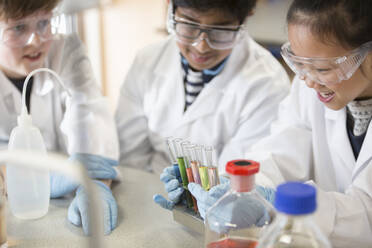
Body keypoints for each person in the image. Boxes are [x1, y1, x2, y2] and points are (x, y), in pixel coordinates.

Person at [189, 0, 372, 247]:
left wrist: (275, 201)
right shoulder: (310, 88)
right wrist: (248, 189)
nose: (308, 80)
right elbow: (283, 149)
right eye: (298, 63)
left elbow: (366, 214)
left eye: (322, 68)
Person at [116, 0, 289, 177]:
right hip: (150, 188)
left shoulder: (267, 84)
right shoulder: (148, 60)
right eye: (189, 26)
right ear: (170, 7)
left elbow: (236, 180)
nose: (201, 47)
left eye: (220, 31)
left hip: (218, 199)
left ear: (246, 17)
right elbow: (130, 156)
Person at [0, 0, 119, 235]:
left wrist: (94, 185)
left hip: (65, 204)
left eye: (44, 23)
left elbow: (91, 123)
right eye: (18, 28)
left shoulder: (66, 51)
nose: (36, 41)